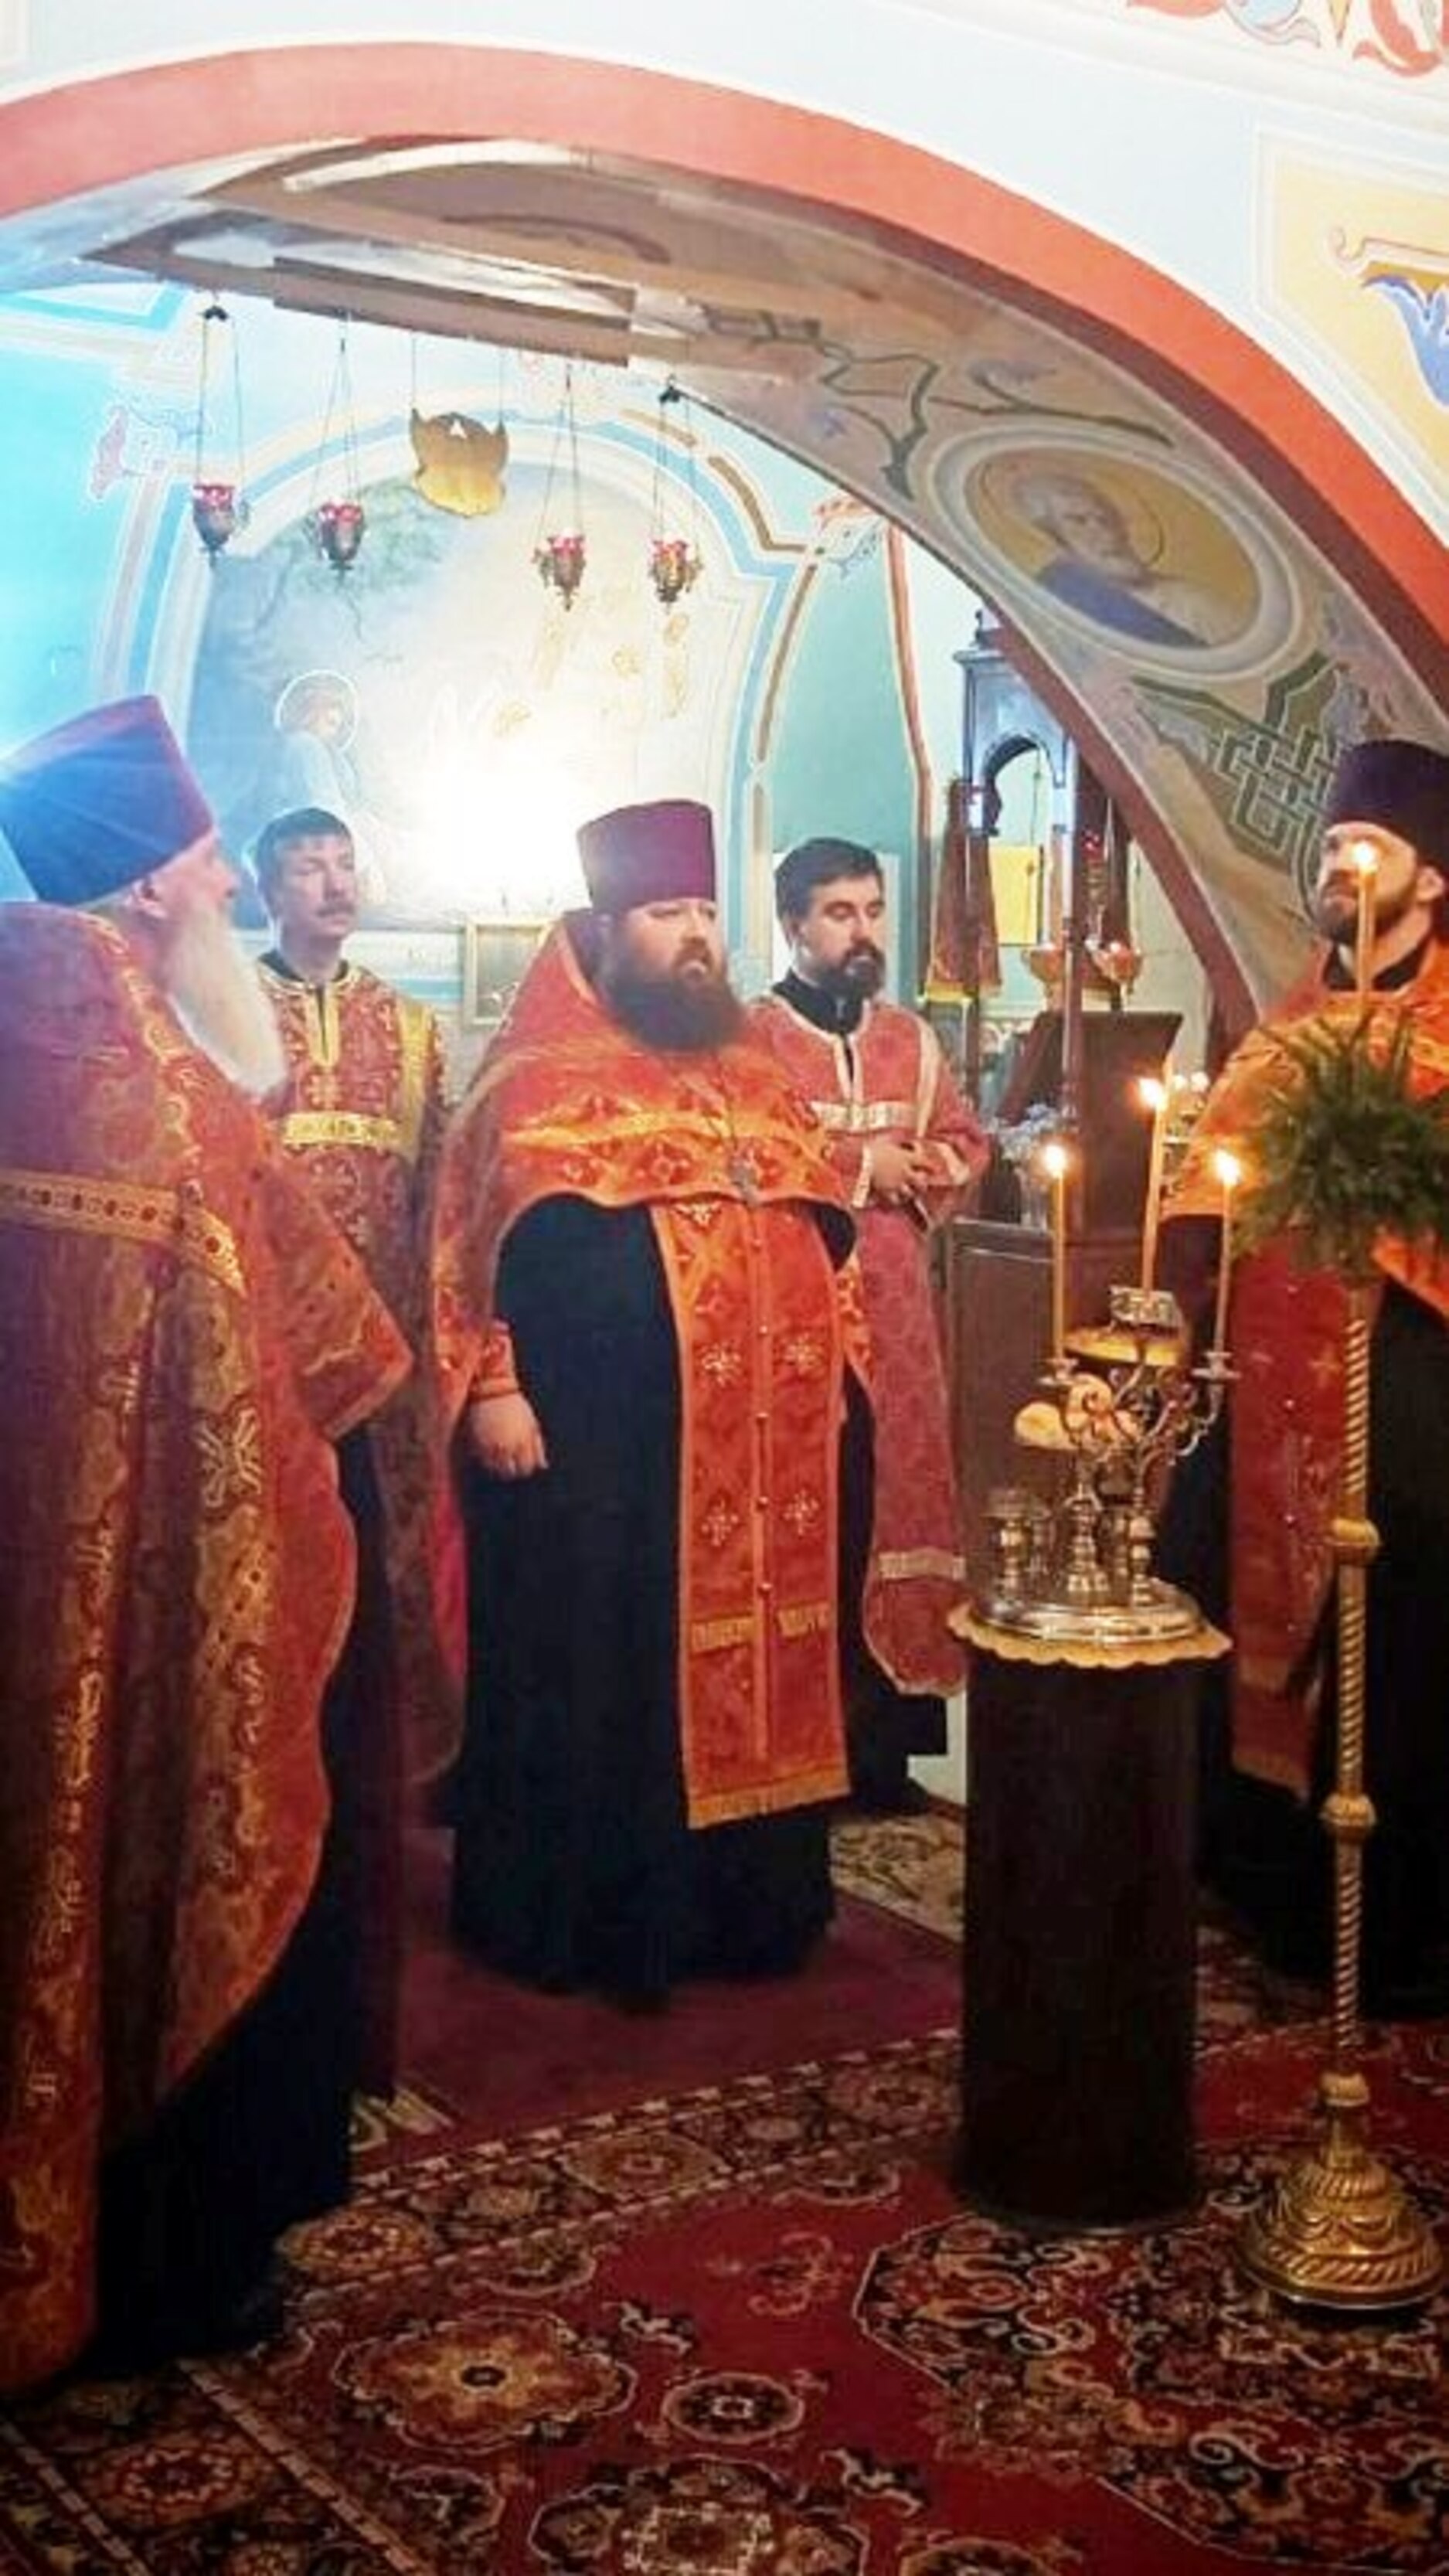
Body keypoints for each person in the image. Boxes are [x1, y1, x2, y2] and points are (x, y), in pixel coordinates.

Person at [0, 698, 409, 2392]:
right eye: (216, 859)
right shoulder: (170, 1101)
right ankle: (169, 2254)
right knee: (158, 1851)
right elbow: (322, 1375)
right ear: (157, 886)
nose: (235, 885)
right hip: (162, 1612)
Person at [431, 798, 869, 2006]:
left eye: (705, 913)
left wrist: (834, 1372)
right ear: (609, 925)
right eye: (667, 912)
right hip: (592, 1454)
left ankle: (746, 1908)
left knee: (751, 1656)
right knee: (601, 1667)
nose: (694, 937)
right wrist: (494, 1385)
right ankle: (591, 1920)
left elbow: (821, 1232)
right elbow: (465, 1253)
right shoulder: (531, 1076)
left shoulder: (752, 1069)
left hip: (753, 1447)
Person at [1158, 737, 1449, 2013]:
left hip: (1408, 1389)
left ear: (1430, 881)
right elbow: (1204, 1191)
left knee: (1399, 1632)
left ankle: (1391, 1923)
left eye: (1365, 847)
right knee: (1218, 1582)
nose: (1337, 866)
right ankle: (1262, 1881)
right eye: (1330, 846)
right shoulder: (1283, 1025)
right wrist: (1173, 1310)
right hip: (1263, 1388)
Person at [256, 806, 455, 2059]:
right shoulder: (225, 1014)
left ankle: (370, 1792)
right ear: (267, 886)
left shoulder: (414, 1029)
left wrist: (446, 1354)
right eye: (307, 867)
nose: (334, 883)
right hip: (270, 1363)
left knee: (382, 1578)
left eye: (344, 863)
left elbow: (439, 1200)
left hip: (382, 1366)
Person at [751, 839, 988, 1811]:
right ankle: (804, 1745)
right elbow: (748, 1153)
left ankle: (885, 1748)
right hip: (794, 1314)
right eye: (840, 913)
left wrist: (927, 1168)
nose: (863, 932)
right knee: (818, 1504)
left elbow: (965, 1139)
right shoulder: (752, 1040)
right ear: (793, 924)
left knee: (895, 1498)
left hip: (897, 1315)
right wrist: (861, 1167)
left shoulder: (909, 1040)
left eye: (873, 910)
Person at [1012, 467, 1243, 649]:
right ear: (1053, 536)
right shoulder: (1055, 597)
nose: (1104, 532)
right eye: (1079, 521)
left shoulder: (1190, 601)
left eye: (1105, 518)